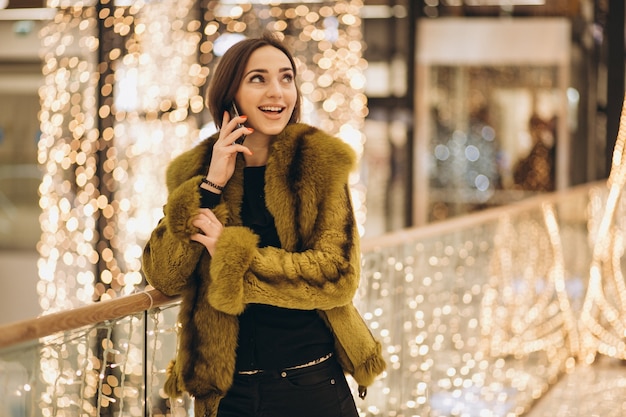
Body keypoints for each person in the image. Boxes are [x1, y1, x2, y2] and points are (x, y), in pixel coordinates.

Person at [142, 32, 386, 417]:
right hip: (226, 395)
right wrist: (210, 185)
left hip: (311, 384)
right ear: (230, 94)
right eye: (258, 79)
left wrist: (234, 256)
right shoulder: (197, 170)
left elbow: (337, 274)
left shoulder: (316, 162)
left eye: (286, 78)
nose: (277, 92)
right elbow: (164, 275)